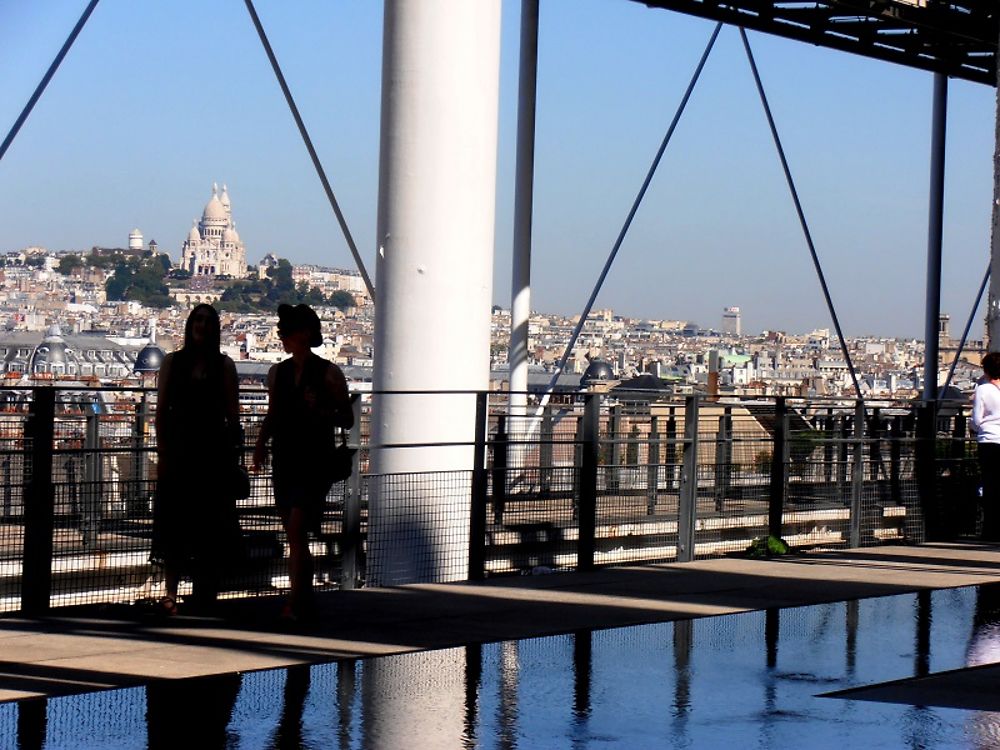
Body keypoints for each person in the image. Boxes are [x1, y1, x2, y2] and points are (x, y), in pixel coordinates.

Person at [253, 303, 353, 621]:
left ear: (302, 334)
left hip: (309, 461)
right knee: (296, 535)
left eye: (287, 331)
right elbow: (274, 414)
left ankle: (295, 604)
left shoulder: (321, 374)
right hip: (289, 458)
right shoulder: (314, 373)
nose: (282, 336)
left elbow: (346, 418)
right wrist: (259, 444)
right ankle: (303, 599)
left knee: (296, 530)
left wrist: (320, 410)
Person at [152, 304, 241, 614]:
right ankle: (173, 593)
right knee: (176, 526)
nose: (201, 325)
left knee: (206, 530)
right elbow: (160, 411)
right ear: (190, 324)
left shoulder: (221, 366)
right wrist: (162, 453)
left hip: (211, 456)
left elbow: (233, 416)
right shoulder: (173, 363)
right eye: (198, 319)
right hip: (181, 453)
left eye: (207, 321)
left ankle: (200, 594)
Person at [972, 351, 1000, 541]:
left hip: (989, 441)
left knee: (990, 485)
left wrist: (976, 428)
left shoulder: (983, 390)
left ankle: (990, 530)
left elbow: (976, 420)